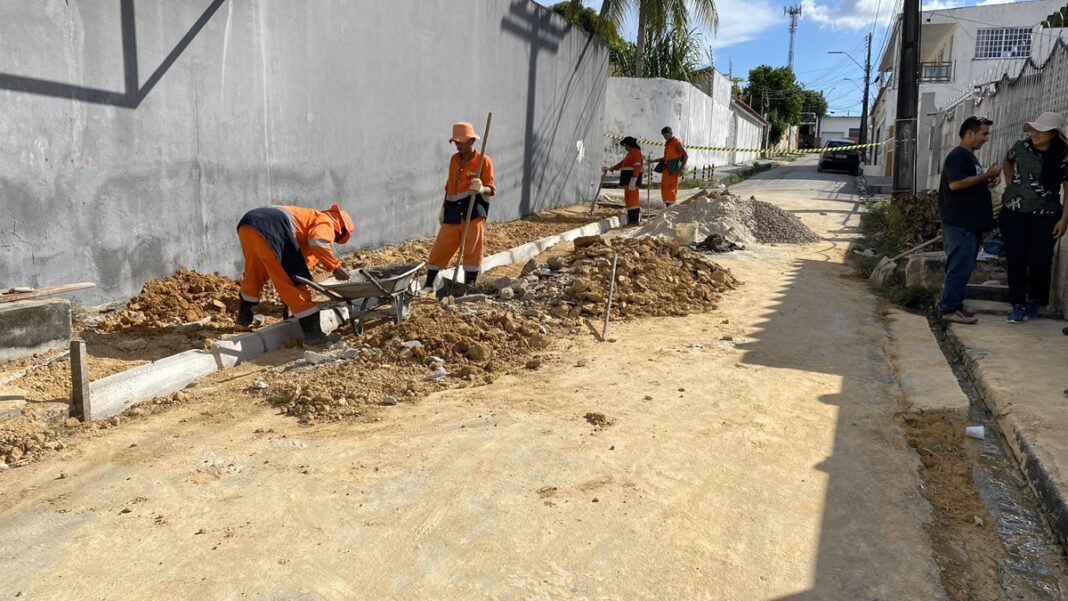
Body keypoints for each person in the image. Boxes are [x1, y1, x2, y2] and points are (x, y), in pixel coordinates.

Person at [235, 204, 354, 345]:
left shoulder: (305, 218)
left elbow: (297, 260)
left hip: (248, 224)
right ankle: (314, 336)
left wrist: (288, 301)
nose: (333, 240)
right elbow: (318, 242)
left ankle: (243, 319)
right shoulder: (326, 221)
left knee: (255, 272)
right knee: (295, 282)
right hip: (272, 226)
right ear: (340, 229)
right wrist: (335, 267)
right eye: (336, 238)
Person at [999, 112, 1068, 323]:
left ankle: (1035, 299)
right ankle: (1018, 303)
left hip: (1046, 215)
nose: (1035, 134)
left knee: (1040, 260)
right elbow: (1007, 161)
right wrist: (1012, 184)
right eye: (1034, 130)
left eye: (1041, 131)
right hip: (1014, 213)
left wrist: (1064, 220)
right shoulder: (1021, 146)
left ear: (1053, 134)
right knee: (1016, 258)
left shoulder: (1063, 156)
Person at [937, 116, 1001, 325]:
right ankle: (949, 309)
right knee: (959, 268)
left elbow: (969, 185)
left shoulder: (970, 158)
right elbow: (955, 184)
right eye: (984, 133)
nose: (986, 138)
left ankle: (954, 305)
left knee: (962, 268)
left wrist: (987, 181)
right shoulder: (958, 156)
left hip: (969, 225)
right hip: (960, 224)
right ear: (970, 133)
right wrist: (985, 176)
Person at [422, 122, 496, 293]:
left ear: (471, 141)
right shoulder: (454, 159)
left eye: (461, 142)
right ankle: (429, 283)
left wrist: (481, 188)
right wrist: (443, 207)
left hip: (473, 211)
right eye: (456, 142)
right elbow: (449, 186)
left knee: (472, 249)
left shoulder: (483, 161)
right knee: (441, 246)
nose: (458, 145)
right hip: (453, 211)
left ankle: (469, 286)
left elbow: (491, 189)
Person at [609, 136, 644, 225]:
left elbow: (637, 166)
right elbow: (623, 163)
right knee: (628, 200)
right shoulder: (631, 153)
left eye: (625, 146)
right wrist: (613, 168)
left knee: (633, 200)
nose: (625, 148)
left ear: (629, 145)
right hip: (627, 180)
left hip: (632, 179)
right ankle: (631, 220)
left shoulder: (636, 152)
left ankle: (634, 220)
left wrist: (634, 179)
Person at [655, 126, 688, 207]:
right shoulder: (667, 144)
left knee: (671, 188)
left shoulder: (676, 142)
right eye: (664, 136)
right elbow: (666, 158)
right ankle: (667, 205)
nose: (665, 137)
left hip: (673, 169)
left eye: (666, 135)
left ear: (671, 133)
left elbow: (685, 155)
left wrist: (681, 168)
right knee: (664, 188)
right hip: (666, 169)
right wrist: (653, 161)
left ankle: (671, 206)